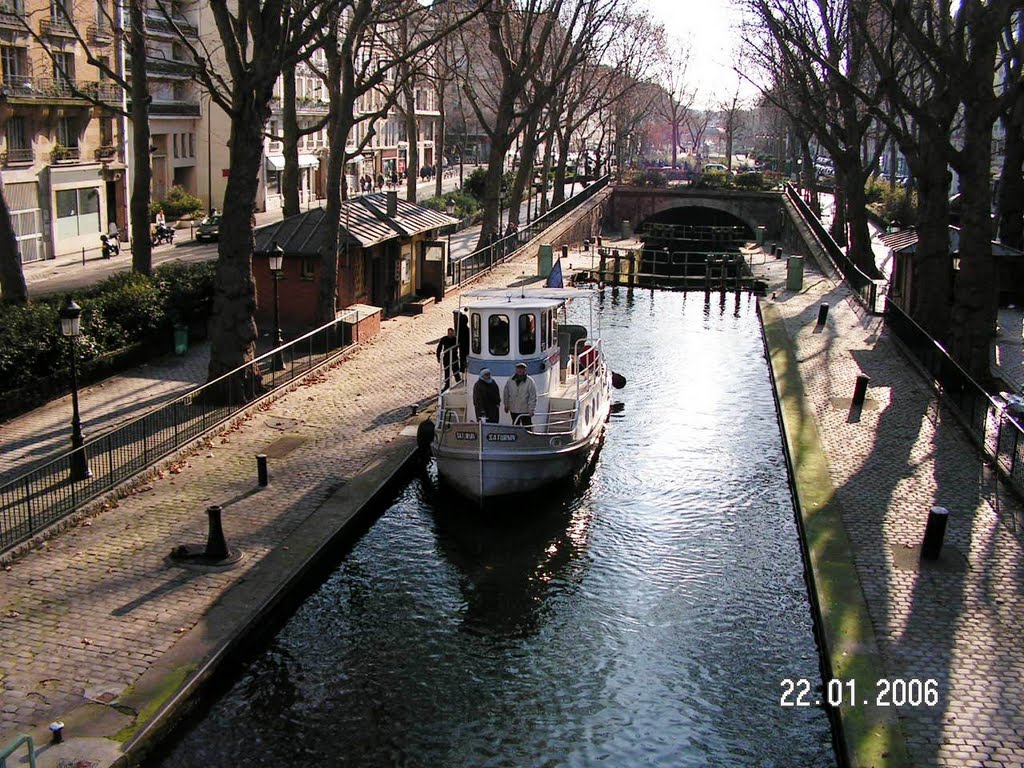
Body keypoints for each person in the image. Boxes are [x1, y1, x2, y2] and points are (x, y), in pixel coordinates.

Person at [504, 362, 537, 426]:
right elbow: (506, 394)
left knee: (527, 426)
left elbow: (532, 397)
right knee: (515, 425)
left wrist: (531, 409)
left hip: (525, 410)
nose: (520, 370)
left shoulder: (530, 382)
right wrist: (506, 405)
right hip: (513, 409)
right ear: (516, 370)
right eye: (518, 368)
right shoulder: (510, 380)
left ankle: (528, 435)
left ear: (525, 370)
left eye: (522, 369)